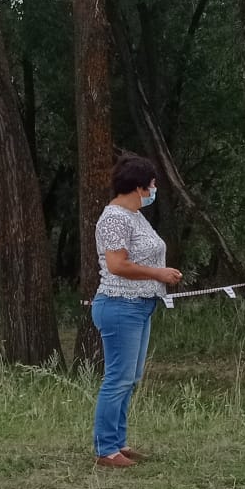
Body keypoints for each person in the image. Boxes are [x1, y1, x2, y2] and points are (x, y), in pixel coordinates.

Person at [90, 154, 182, 468]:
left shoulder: (136, 217)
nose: (154, 190)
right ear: (139, 186)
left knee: (130, 378)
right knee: (117, 379)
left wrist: (162, 275)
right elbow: (117, 265)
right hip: (119, 305)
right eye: (152, 185)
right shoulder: (114, 218)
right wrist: (159, 274)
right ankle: (105, 449)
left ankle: (119, 442)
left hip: (141, 306)